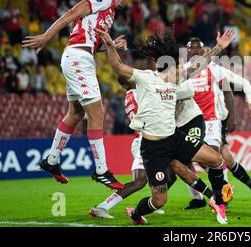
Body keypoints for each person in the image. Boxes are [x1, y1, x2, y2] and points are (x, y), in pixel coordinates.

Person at [95, 27, 235, 225]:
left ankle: (219, 201)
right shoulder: (144, 77)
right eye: (176, 64)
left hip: (174, 138)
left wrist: (217, 48)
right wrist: (110, 46)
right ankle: (135, 214)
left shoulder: (174, 79)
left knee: (216, 159)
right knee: (159, 200)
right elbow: (118, 67)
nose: (180, 68)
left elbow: (199, 65)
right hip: (154, 149)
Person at [22, 0, 133, 190]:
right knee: (97, 114)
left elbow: (92, 43)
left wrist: (111, 45)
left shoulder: (108, 13)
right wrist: (47, 36)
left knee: (76, 113)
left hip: (81, 56)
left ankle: (51, 160)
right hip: (78, 58)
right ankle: (101, 170)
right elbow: (72, 13)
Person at [89, 79, 218, 219]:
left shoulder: (130, 96)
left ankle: (207, 196)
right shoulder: (141, 93)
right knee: (140, 181)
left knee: (174, 171)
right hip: (147, 141)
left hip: (152, 140)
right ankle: (103, 207)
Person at [184, 38, 251, 208]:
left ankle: (222, 194)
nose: (194, 51)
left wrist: (247, 104)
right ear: (187, 53)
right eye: (190, 49)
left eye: (197, 48)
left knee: (214, 159)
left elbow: (239, 84)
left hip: (213, 123)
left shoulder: (213, 69)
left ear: (203, 52)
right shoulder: (183, 71)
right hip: (191, 125)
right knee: (225, 160)